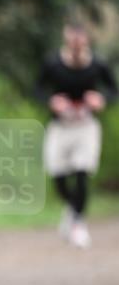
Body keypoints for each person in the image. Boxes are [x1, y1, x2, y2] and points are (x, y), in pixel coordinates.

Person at [36, 20, 117, 248]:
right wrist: (52, 101)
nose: (75, 45)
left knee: (82, 172)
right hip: (60, 127)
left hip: (86, 127)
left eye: (79, 40)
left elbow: (112, 90)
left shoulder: (97, 65)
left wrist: (101, 99)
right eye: (71, 40)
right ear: (66, 39)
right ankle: (72, 211)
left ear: (86, 40)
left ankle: (78, 224)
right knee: (58, 176)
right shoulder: (53, 64)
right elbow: (38, 89)